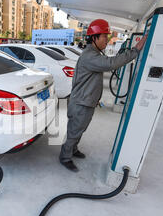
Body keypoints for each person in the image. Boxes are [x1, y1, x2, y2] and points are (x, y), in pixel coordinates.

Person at [59, 19, 147, 172]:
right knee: (74, 131)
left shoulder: (94, 54)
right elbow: (111, 64)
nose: (107, 40)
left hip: (86, 102)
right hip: (81, 103)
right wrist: (135, 51)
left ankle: (73, 150)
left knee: (80, 129)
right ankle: (65, 157)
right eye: (104, 37)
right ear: (94, 38)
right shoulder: (90, 56)